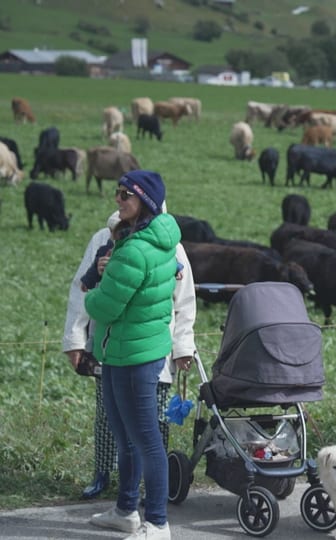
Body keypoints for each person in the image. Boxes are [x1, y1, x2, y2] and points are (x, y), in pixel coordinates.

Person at [63, 210, 196, 501]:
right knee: (109, 417)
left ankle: (151, 490)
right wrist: (75, 338)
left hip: (153, 347)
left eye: (127, 196)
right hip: (111, 346)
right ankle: (104, 474)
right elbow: (81, 290)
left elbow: (184, 300)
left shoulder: (170, 246)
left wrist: (183, 347)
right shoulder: (102, 238)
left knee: (153, 423)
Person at [85, 170, 182, 540]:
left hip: (133, 353)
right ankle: (126, 510)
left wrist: (95, 290)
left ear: (145, 203)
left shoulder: (135, 250)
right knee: (126, 434)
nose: (118, 199)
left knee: (144, 439)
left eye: (126, 194)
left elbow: (103, 306)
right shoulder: (152, 241)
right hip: (127, 349)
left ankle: (157, 522)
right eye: (117, 192)